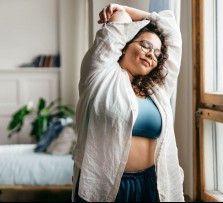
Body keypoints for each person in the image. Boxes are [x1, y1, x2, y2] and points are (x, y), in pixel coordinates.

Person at [72, 3, 184, 202]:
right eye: (145, 45)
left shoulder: (158, 89)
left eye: (157, 54)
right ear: (125, 44)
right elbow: (119, 20)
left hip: (151, 183)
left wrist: (132, 11)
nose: (151, 54)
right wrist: (120, 10)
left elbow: (172, 29)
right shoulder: (100, 73)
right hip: (106, 184)